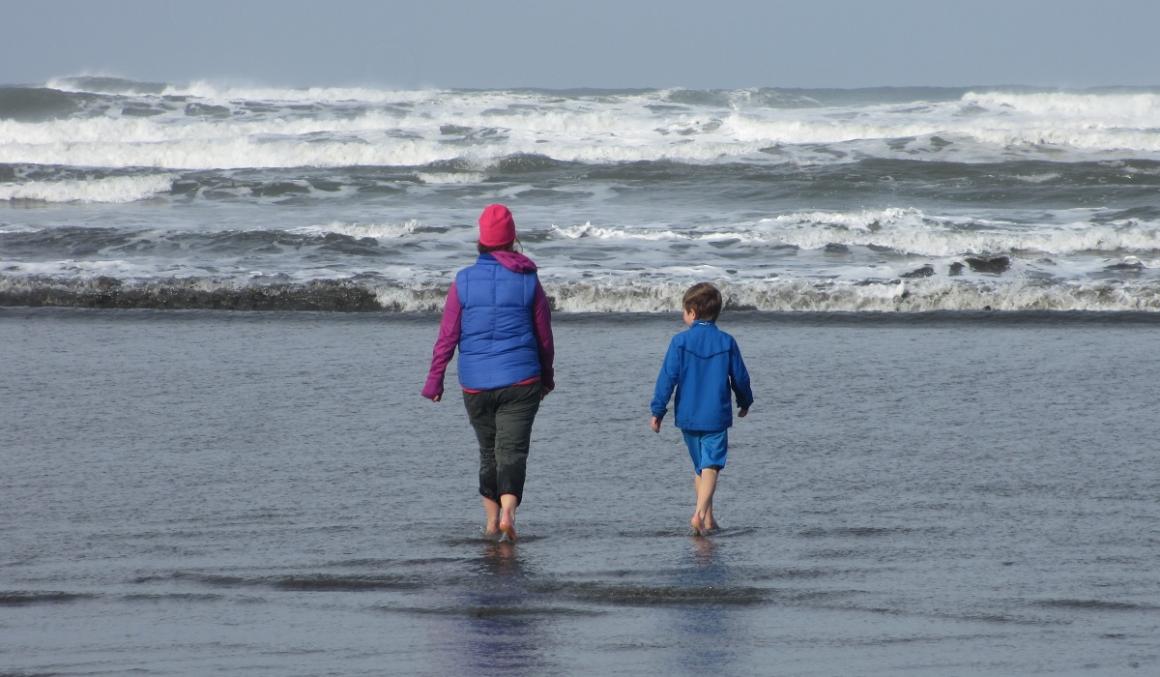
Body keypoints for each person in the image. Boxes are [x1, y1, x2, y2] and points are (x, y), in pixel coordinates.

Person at [422, 204, 554, 542]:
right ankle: (510, 511)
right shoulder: (528, 279)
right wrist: (547, 375)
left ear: (481, 240)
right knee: (513, 450)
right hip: (522, 378)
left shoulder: (464, 280)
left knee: (488, 450)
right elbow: (544, 335)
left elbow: (447, 336)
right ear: (512, 239)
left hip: (476, 383)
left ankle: (492, 522)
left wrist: (434, 380)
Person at [649, 282, 753, 536]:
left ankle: (708, 518)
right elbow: (740, 377)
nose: (683, 315)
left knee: (701, 468)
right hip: (715, 415)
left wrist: (658, 410)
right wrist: (744, 401)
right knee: (712, 466)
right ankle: (698, 515)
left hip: (687, 415)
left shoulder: (680, 342)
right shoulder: (726, 341)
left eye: (684, 311)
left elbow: (667, 378)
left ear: (693, 313)